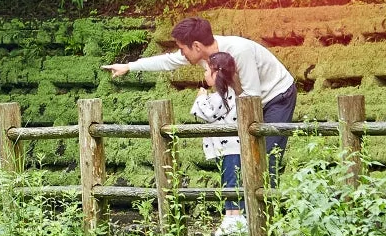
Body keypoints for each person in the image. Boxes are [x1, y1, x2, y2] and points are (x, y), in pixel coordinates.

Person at [103, 15, 300, 192]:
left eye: (182, 49)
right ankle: (245, 218)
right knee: (248, 157)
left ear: (196, 46)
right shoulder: (205, 56)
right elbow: (168, 61)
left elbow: (252, 95)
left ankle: (265, 219)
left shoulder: (239, 51)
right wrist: (129, 66)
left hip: (277, 95)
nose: (182, 54)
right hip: (248, 102)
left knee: (265, 159)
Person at [189, 51, 246, 236]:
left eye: (207, 71)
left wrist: (201, 97)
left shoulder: (226, 95)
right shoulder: (228, 94)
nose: (205, 75)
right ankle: (231, 217)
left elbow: (208, 112)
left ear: (216, 73)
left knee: (232, 181)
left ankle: (235, 218)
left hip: (231, 146)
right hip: (226, 147)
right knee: (228, 180)